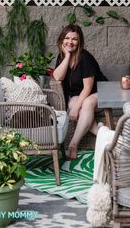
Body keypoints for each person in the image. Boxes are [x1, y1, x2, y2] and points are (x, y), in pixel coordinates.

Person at [53, 24, 108, 160]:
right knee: (72, 104)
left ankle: (73, 145)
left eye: (74, 39)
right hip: (79, 95)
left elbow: (88, 88)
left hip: (100, 91)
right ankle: (102, 133)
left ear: (79, 42)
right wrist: (66, 56)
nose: (70, 42)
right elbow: (57, 76)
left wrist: (77, 108)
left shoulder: (85, 57)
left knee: (86, 103)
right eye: (67, 38)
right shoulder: (61, 57)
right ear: (61, 40)